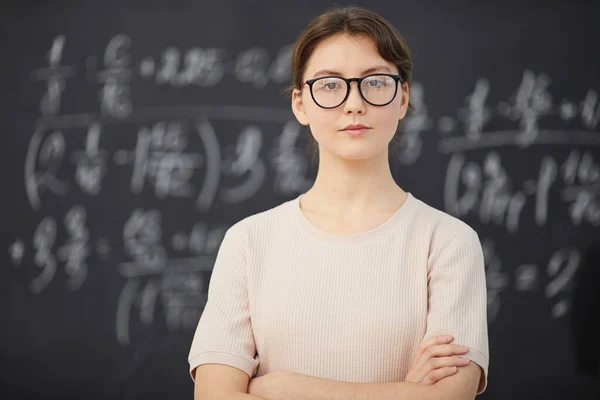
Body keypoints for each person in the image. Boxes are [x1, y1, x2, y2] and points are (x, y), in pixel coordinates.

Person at [188, 6, 489, 399]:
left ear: (402, 98)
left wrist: (284, 387)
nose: (354, 104)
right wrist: (402, 392)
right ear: (300, 104)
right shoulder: (249, 241)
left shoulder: (448, 241)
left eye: (375, 82)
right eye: (329, 85)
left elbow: (450, 395)